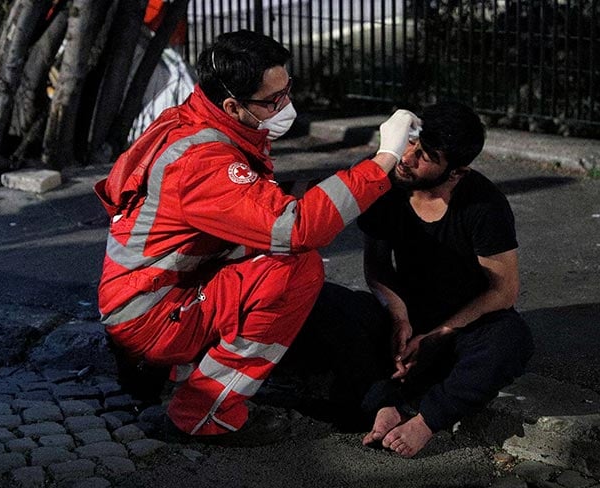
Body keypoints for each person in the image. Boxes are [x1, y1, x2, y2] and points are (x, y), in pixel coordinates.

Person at [93, 29, 420, 446]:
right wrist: (384, 159)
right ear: (233, 105)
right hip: (153, 314)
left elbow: (254, 214)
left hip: (157, 294)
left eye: (287, 90)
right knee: (295, 268)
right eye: (273, 101)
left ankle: (172, 371)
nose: (286, 105)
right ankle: (203, 411)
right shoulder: (202, 160)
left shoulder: (200, 121)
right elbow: (296, 227)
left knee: (313, 287)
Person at [294, 101, 533, 456]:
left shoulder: (484, 205)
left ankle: (426, 421)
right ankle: (384, 407)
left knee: (511, 339)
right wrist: (398, 315)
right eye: (410, 142)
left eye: (426, 155)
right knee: (319, 298)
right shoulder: (387, 186)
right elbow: (376, 265)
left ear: (457, 172)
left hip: (463, 324)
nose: (407, 156)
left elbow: (503, 291)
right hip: (406, 316)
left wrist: (439, 334)